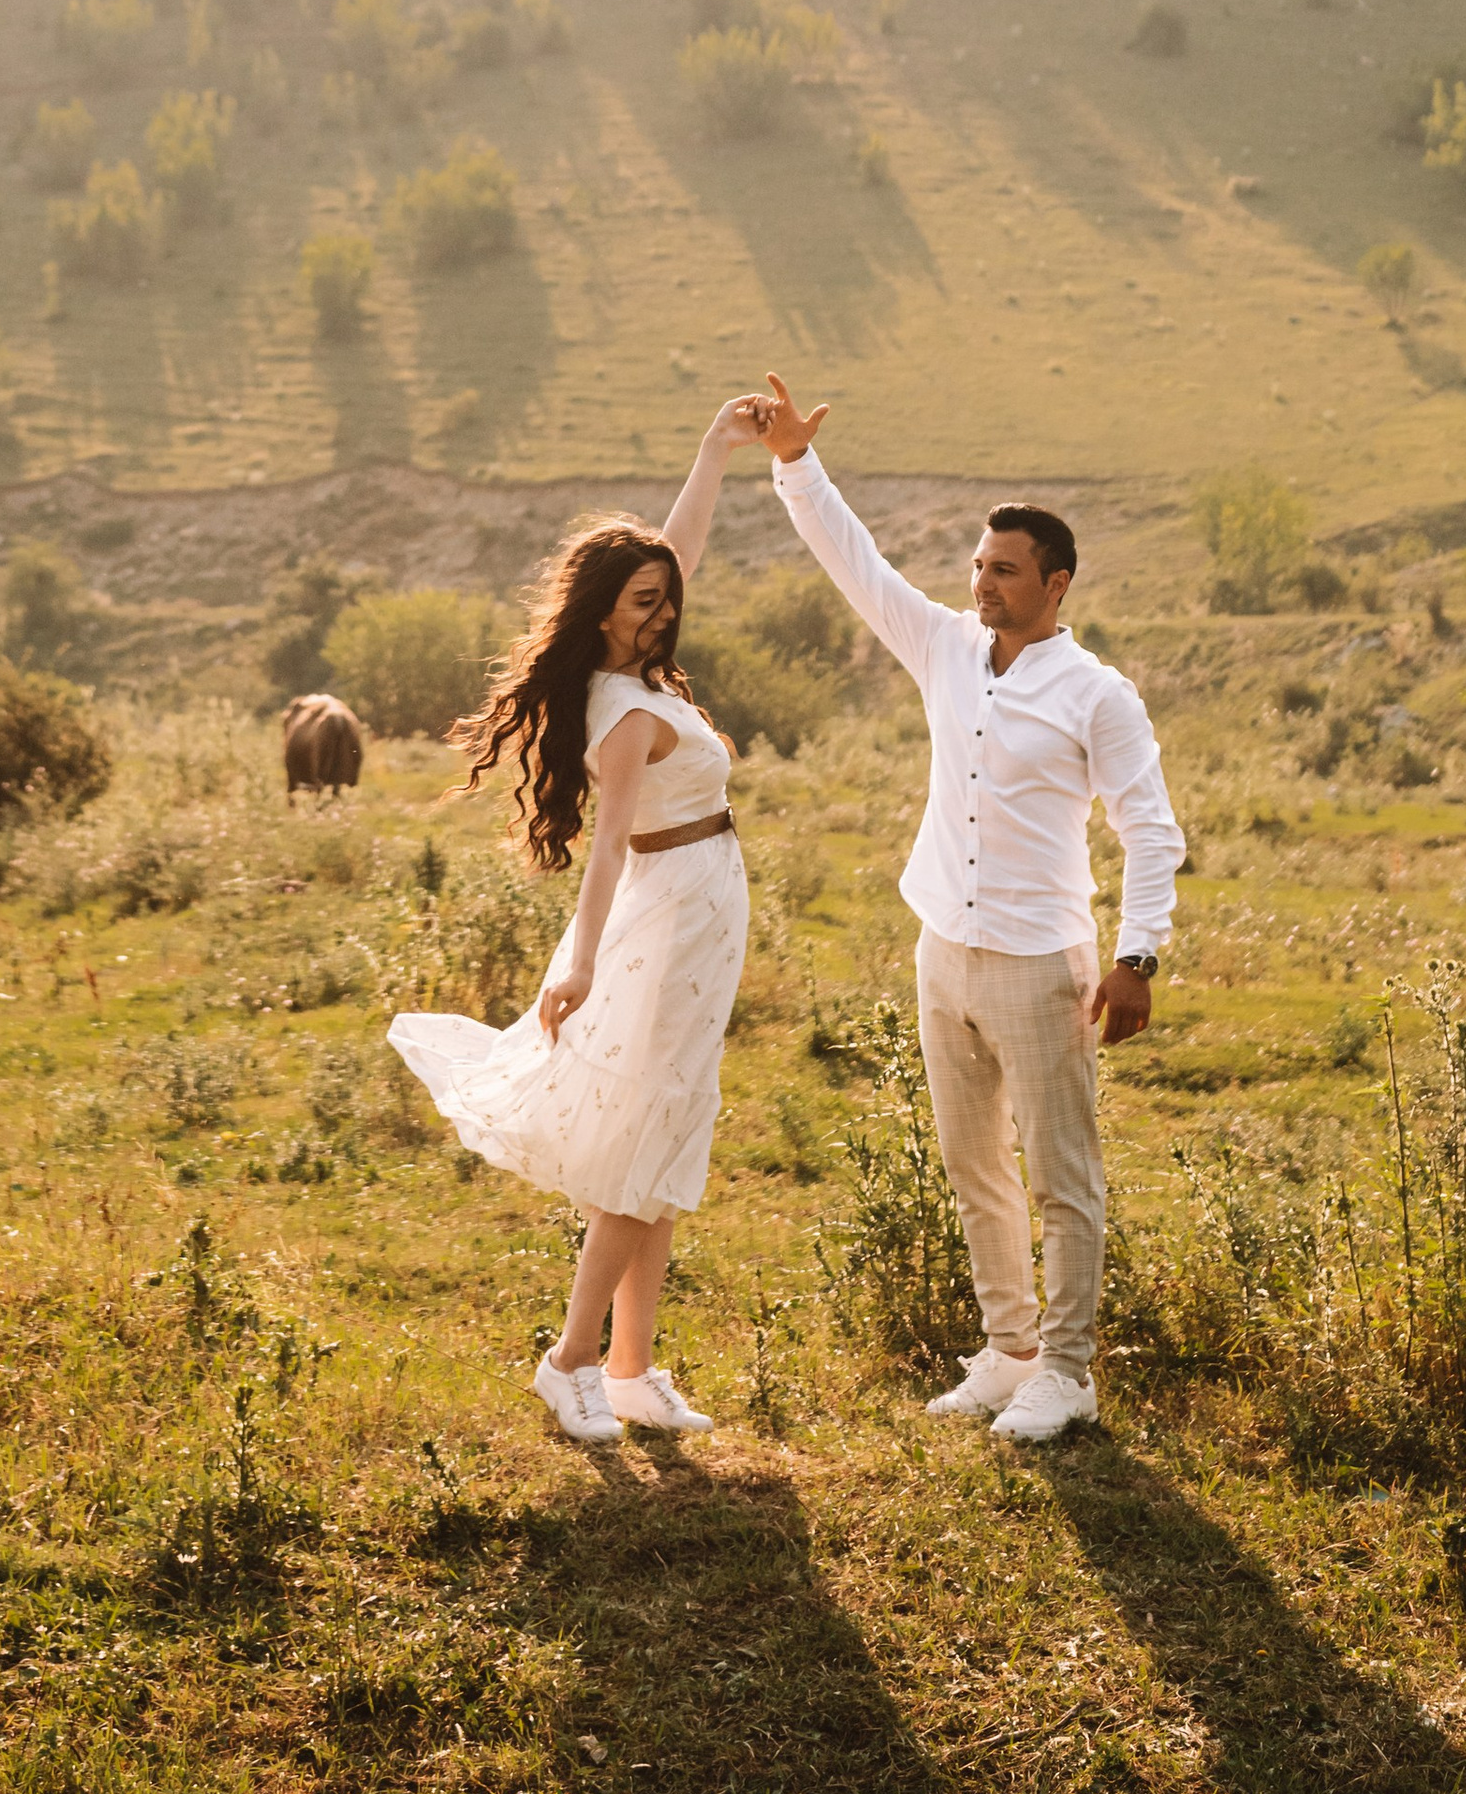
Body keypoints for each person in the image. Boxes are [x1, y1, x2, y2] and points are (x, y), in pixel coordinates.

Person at [751, 371, 1181, 1446]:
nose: (982, 582)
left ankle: (1068, 1373)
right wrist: (796, 461)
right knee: (973, 1164)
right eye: (979, 566)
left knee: (1062, 1177)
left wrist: (1136, 957)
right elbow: (857, 563)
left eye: (1005, 569)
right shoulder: (945, 646)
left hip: (1043, 961)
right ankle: (1009, 1353)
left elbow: (1151, 829)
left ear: (1056, 583)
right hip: (942, 947)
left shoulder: (1098, 694)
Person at [388, 396, 766, 1447]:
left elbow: (673, 552)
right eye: (645, 601)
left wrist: (715, 450)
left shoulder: (633, 667)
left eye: (666, 598)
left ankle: (634, 1369)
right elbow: (607, 846)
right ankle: (571, 1361)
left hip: (694, 918)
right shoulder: (629, 710)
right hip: (662, 924)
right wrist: (582, 962)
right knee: (639, 1151)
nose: (665, 611)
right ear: (605, 611)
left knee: (666, 1141)